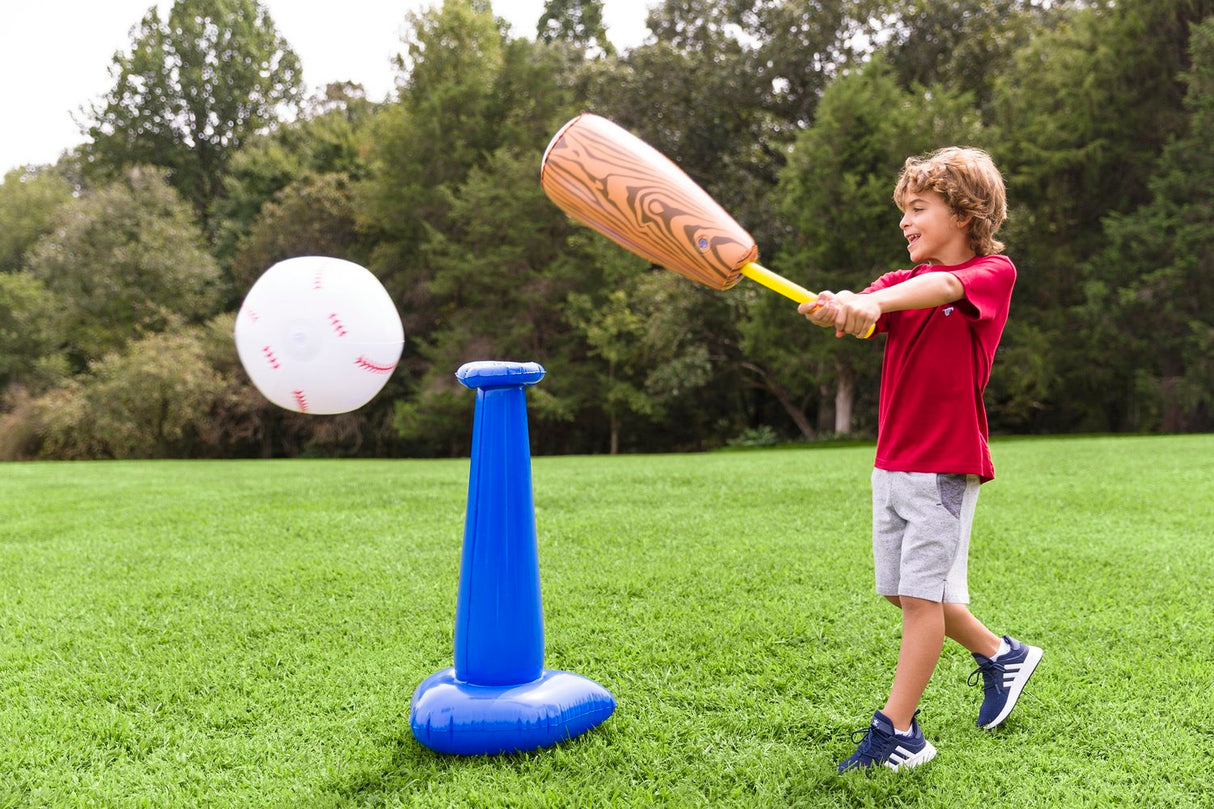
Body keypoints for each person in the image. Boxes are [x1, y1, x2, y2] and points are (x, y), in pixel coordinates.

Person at [799, 147, 1042, 774]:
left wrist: (874, 303)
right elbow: (869, 304)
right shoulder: (897, 286)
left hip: (943, 464)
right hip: (893, 462)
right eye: (903, 211)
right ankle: (1000, 653)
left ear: (964, 213)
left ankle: (898, 733)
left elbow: (939, 288)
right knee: (903, 592)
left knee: (918, 599)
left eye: (918, 209)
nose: (905, 222)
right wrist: (839, 304)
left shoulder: (992, 272)